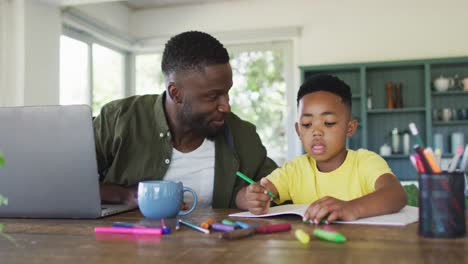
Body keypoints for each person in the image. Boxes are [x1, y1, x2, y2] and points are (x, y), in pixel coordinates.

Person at [94, 31, 277, 208]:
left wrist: (256, 196)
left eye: (227, 92)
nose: (226, 106)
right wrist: (126, 195)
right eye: (213, 96)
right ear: (176, 93)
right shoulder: (119, 119)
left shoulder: (242, 136)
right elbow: (70, 183)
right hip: (122, 238)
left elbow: (282, 187)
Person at [236, 74, 407, 223]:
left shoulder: (364, 162)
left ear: (350, 128)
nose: (316, 132)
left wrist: (350, 208)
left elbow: (396, 194)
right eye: (307, 124)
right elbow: (242, 197)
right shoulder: (294, 170)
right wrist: (252, 198)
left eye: (329, 123)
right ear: (298, 131)